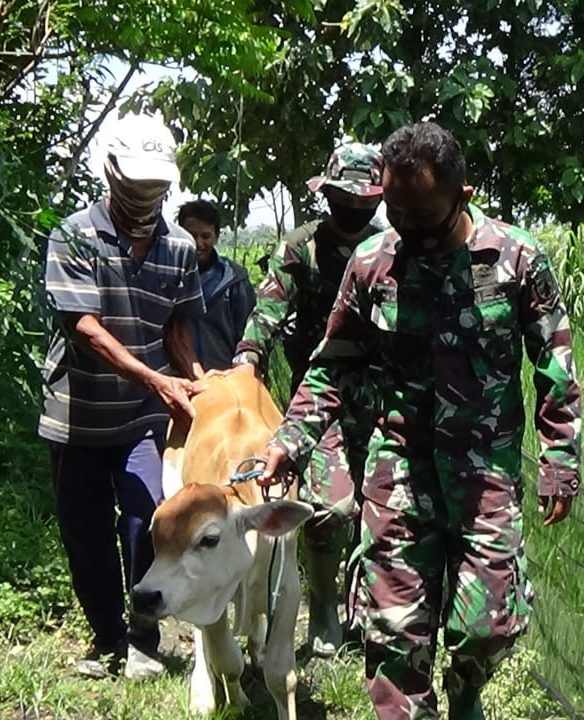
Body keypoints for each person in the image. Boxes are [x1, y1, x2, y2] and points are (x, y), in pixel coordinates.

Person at [254, 121, 583, 720]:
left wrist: (560, 460)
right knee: (391, 631)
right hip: (398, 467)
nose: (409, 229)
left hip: (484, 473)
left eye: (423, 217)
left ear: (463, 195)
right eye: (397, 213)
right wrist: (292, 440)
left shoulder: (516, 259)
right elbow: (335, 365)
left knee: (486, 626)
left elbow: (555, 366)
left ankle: (466, 689)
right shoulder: (372, 263)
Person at [37, 112, 204, 680]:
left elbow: (179, 325)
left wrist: (195, 378)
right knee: (85, 534)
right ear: (111, 174)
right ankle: (106, 639)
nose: (146, 198)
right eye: (137, 187)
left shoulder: (180, 246)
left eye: (157, 188)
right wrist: (156, 380)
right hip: (78, 417)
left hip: (138, 420)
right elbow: (84, 328)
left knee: (144, 520)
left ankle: (142, 638)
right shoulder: (75, 235)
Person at [230, 143, 385, 658]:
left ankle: (373, 609)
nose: (354, 210)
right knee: (329, 506)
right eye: (345, 199)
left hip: (386, 395)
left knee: (384, 504)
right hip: (322, 393)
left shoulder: (391, 247)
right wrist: (248, 360)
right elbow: (268, 310)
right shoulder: (303, 248)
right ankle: (323, 608)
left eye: (365, 202)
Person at [176, 199, 254, 370]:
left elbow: (248, 334)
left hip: (224, 379)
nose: (198, 243)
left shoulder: (234, 279)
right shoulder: (168, 275)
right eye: (191, 235)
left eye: (205, 236)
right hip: (176, 379)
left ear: (217, 236)